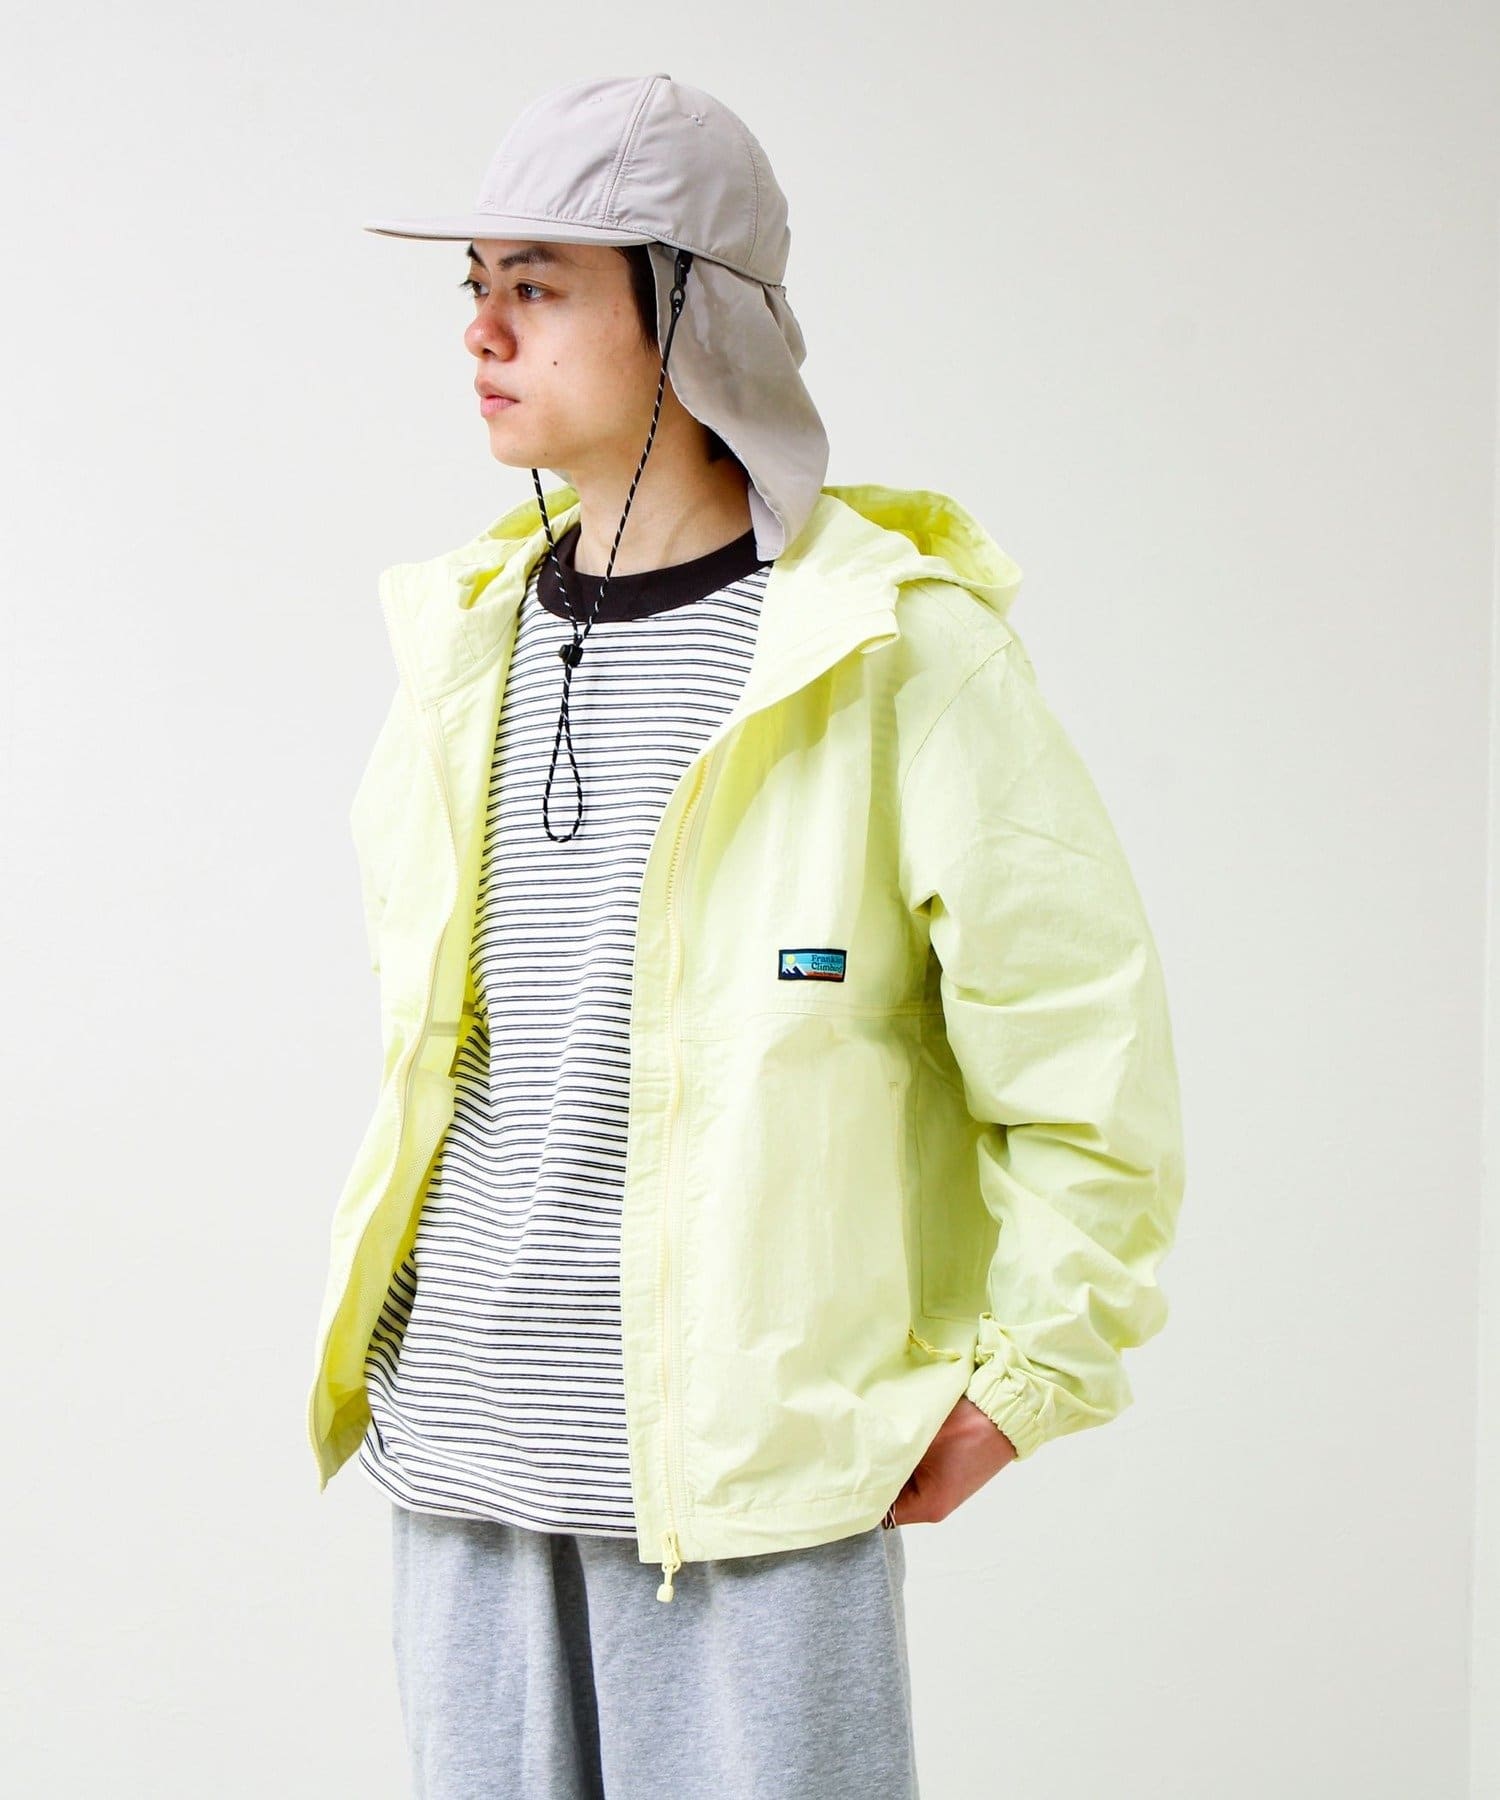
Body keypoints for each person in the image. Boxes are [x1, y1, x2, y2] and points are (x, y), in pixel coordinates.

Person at [306, 71, 1186, 1800]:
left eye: (537, 285)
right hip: (464, 1457)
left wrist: (1029, 1378)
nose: (480, 329)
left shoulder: (893, 654)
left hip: (748, 1490)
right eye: (475, 283)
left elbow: (1089, 1052)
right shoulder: (465, 643)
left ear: (693, 314)